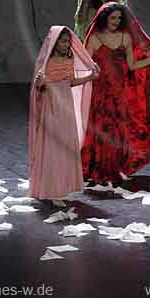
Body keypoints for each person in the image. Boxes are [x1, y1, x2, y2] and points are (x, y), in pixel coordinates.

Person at [81, 3, 150, 183]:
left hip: (119, 92)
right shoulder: (94, 39)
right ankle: (101, 167)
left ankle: (115, 166)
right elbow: (85, 64)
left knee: (118, 128)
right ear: (104, 18)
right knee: (102, 127)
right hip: (100, 92)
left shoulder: (125, 38)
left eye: (118, 18)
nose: (116, 21)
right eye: (112, 18)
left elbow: (132, 65)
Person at [29, 26, 99, 206]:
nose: (67, 44)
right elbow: (40, 87)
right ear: (54, 42)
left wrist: (90, 77)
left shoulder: (69, 60)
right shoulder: (47, 62)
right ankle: (49, 188)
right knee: (52, 146)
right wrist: (40, 84)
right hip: (51, 106)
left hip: (65, 107)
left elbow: (70, 82)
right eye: (63, 41)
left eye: (68, 41)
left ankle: (62, 186)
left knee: (65, 146)